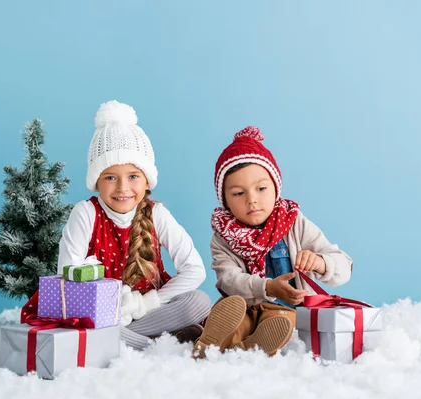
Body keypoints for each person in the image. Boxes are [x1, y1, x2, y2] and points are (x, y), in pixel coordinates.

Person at [57, 100, 211, 350]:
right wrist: (114, 309)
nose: (122, 188)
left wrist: (147, 303)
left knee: (198, 302)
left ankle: (129, 339)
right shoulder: (86, 213)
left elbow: (195, 270)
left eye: (133, 176)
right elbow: (68, 279)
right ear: (96, 182)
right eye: (110, 177)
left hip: (151, 311)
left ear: (147, 181)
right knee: (85, 327)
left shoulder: (156, 214)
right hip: (100, 317)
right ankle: (156, 344)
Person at [192, 126, 353, 359]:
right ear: (225, 200)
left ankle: (248, 346)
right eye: (238, 193)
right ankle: (216, 341)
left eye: (261, 188)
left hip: (287, 312)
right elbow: (228, 280)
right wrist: (267, 287)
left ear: (276, 189)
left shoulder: (295, 223)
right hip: (246, 307)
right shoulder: (223, 237)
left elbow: (344, 267)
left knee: (281, 319)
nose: (251, 200)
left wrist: (320, 262)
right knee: (234, 316)